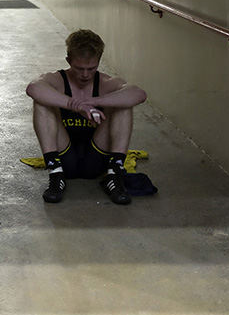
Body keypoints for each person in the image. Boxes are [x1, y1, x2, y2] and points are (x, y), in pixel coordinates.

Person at [26, 29, 147, 205]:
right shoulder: (58, 79)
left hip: (96, 159)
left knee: (123, 104)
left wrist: (95, 100)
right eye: (79, 68)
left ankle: (115, 175)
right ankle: (55, 174)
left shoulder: (105, 83)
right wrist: (75, 104)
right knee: (41, 103)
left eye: (91, 68)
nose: (85, 74)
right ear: (69, 61)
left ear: (99, 62)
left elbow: (139, 94)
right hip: (64, 157)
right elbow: (33, 88)